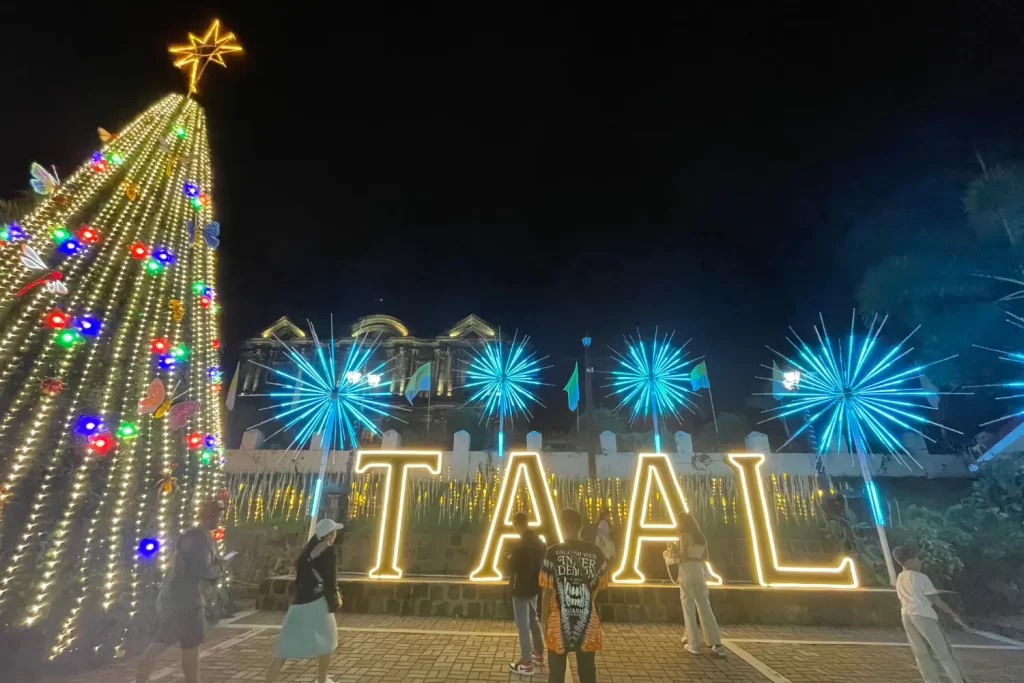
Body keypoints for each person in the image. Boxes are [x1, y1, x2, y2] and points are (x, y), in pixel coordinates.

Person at [137, 500, 224, 683]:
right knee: (175, 643)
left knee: (179, 643)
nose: (218, 520)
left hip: (180, 598)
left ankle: (145, 677)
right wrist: (221, 567)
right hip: (185, 600)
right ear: (207, 515)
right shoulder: (199, 538)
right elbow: (202, 569)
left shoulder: (192, 536)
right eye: (216, 515)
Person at [265, 519, 344, 683]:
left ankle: (270, 679)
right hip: (318, 603)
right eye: (334, 532)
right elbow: (331, 579)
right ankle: (322, 679)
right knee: (328, 640)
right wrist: (336, 596)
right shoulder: (329, 552)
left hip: (299, 604)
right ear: (330, 535)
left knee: (285, 648)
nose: (335, 534)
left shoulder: (307, 553)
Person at [539, 508, 608, 683]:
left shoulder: (552, 553)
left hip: (558, 622)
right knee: (587, 673)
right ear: (581, 526)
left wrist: (543, 621)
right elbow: (597, 588)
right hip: (587, 621)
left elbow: (547, 590)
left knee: (556, 673)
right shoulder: (597, 553)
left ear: (563, 526)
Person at [892, 545, 967, 683]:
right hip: (923, 615)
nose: (919, 562)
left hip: (907, 615)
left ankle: (931, 680)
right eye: (917, 558)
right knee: (942, 652)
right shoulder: (921, 577)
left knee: (921, 653)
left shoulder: (900, 577)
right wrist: (952, 614)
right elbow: (935, 599)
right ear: (910, 561)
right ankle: (957, 680)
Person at [676, 512, 726, 657]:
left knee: (688, 606)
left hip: (687, 569)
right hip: (699, 570)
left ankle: (693, 644)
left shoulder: (684, 535)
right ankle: (716, 643)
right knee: (705, 605)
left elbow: (682, 555)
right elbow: (705, 556)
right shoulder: (701, 537)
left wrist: (673, 554)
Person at [506, 511, 547, 675]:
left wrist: (509, 558)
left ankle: (526, 661)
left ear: (517, 524)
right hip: (534, 586)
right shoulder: (540, 542)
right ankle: (538, 653)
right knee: (533, 619)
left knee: (522, 624)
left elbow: (513, 567)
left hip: (520, 588)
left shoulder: (519, 545)